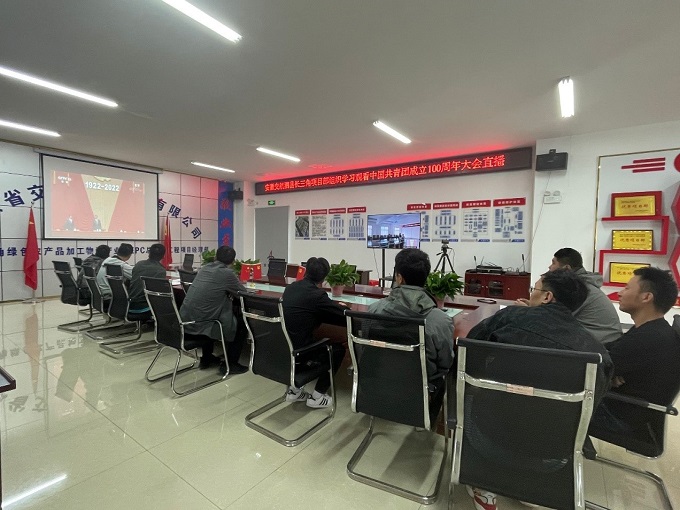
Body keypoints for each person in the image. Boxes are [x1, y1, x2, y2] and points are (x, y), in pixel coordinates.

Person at [465, 269, 613, 510]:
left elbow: (470, 351)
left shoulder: (510, 318)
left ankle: (482, 483)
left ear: (547, 297)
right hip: (553, 456)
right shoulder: (597, 354)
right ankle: (531, 488)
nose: (531, 293)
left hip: (487, 439)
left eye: (534, 289)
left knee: (465, 387)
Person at [367, 248, 453, 422]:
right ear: (426, 277)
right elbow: (446, 363)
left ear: (399, 278)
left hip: (378, 382)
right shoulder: (439, 320)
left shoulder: (374, 310)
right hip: (420, 388)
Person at [590, 267, 680, 434]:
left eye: (627, 288)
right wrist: (610, 376)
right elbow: (607, 352)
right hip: (628, 407)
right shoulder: (653, 330)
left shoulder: (648, 338)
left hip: (623, 417)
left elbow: (593, 370)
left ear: (646, 297)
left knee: (555, 399)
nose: (620, 293)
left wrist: (607, 378)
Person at [281, 257, 349, 408]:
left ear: (305, 271)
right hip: (301, 352)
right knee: (337, 350)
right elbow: (342, 314)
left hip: (284, 347)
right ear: (324, 279)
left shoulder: (290, 288)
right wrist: (343, 307)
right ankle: (317, 397)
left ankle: (294, 391)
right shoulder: (317, 295)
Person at [180, 245, 248, 374]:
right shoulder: (227, 273)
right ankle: (230, 364)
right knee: (242, 323)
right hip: (202, 324)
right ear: (233, 261)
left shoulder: (204, 268)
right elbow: (243, 294)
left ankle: (206, 358)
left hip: (185, 321)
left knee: (211, 311)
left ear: (215, 257)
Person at [539, 248, 622, 344]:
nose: (549, 267)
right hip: (600, 338)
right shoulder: (582, 285)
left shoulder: (578, 289)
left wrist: (531, 309)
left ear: (566, 268)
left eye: (553, 263)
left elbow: (555, 318)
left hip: (602, 343)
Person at [128, 243, 167, 320]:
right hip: (144, 307)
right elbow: (158, 292)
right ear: (163, 256)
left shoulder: (139, 264)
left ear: (149, 253)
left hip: (130, 304)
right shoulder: (160, 270)